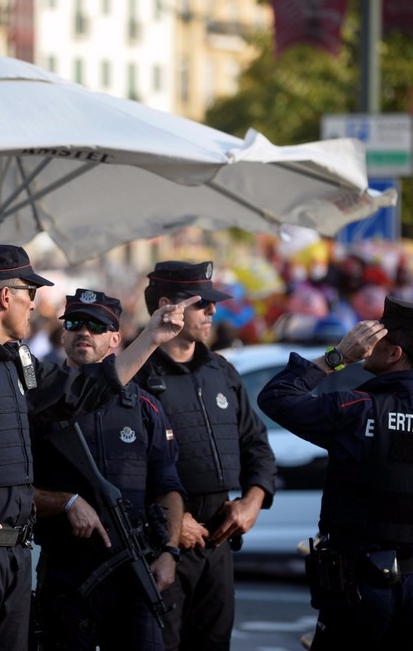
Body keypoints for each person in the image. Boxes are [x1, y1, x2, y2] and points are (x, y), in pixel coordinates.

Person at [0, 244, 198, 651]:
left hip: (11, 555)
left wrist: (152, 337)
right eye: (30, 292)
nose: (34, 304)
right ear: (6, 296)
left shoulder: (15, 358)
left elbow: (80, 390)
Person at [257, 296, 413, 651]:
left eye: (377, 340)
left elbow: (276, 397)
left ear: (393, 354)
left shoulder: (358, 410)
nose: (367, 345)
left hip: (361, 590)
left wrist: (339, 356)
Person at [31, 288, 186, 651]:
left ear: (115, 339)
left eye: (97, 326)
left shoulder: (144, 406)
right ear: (64, 333)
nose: (84, 332)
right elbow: (15, 490)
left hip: (134, 569)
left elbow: (169, 486)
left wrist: (169, 551)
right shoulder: (39, 403)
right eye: (75, 323)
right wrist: (66, 503)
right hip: (67, 572)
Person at [133, 261, 277, 651]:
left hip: (218, 537)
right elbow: (121, 467)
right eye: (203, 304)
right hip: (162, 542)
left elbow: (257, 445)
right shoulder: (136, 375)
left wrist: (252, 501)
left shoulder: (222, 371)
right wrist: (170, 525)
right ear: (167, 306)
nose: (213, 311)